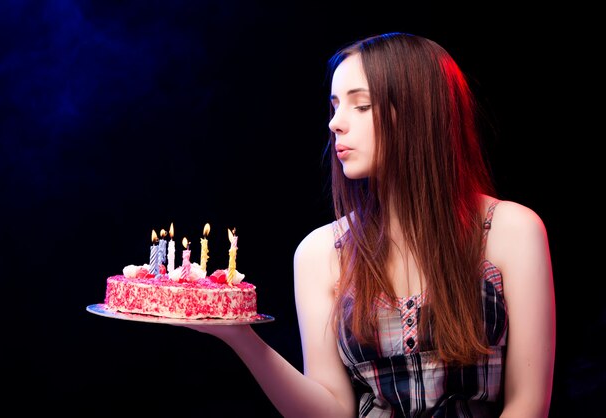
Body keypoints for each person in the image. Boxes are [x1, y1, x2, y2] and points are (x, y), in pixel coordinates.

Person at [179, 32, 556, 417]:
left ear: (419, 112)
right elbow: (332, 411)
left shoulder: (512, 231)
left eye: (361, 106)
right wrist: (241, 337)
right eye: (335, 106)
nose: (335, 124)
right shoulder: (320, 253)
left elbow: (528, 403)